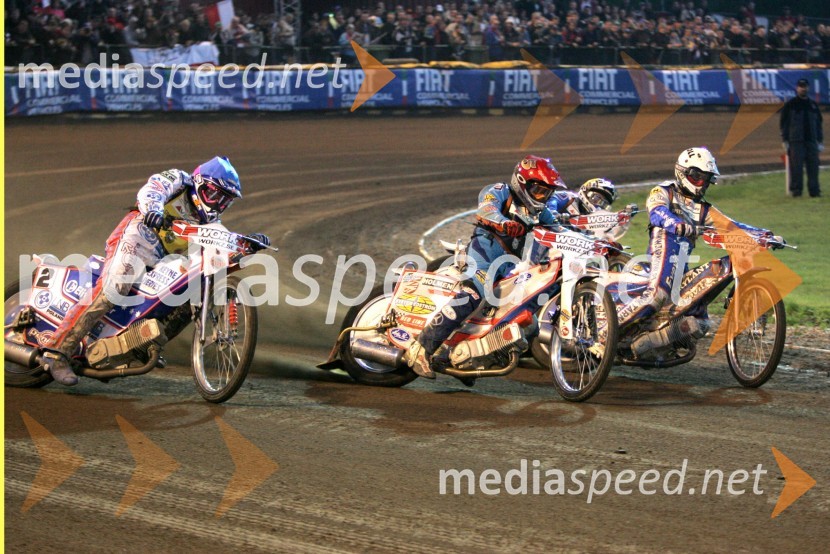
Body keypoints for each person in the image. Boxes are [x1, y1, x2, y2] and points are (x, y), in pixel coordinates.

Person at [41, 157, 271, 386]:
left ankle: (139, 345)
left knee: (188, 296)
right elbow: (153, 188)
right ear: (200, 183)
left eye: (225, 200)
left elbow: (219, 245)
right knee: (116, 287)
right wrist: (153, 209)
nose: (218, 203)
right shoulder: (180, 180)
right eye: (214, 194)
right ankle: (57, 352)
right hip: (136, 237)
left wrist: (246, 243)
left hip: (163, 260)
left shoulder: (210, 222)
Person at [405, 155, 566, 379]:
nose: (542, 196)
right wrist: (504, 223)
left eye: (546, 192)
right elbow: (486, 210)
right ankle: (421, 348)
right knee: (472, 295)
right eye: (538, 190)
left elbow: (560, 231)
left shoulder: (540, 212)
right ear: (522, 182)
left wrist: (594, 244)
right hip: (484, 251)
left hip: (508, 267)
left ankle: (467, 360)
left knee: (527, 323)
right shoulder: (500, 190)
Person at [610, 147, 781, 335]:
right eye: (698, 178)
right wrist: (676, 224)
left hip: (682, 261)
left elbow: (731, 226)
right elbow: (657, 212)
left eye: (706, 180)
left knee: (700, 322)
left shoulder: (703, 209)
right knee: (658, 294)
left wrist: (764, 235)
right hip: (663, 249)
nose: (702, 184)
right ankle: (609, 331)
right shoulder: (663, 191)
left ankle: (657, 339)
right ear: (684, 172)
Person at [780, 78, 823, 197]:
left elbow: (818, 124)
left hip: (811, 141)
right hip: (795, 141)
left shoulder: (813, 105)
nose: (803, 88)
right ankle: (796, 191)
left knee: (813, 167)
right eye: (801, 86)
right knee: (796, 168)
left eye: (805, 86)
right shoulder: (791, 105)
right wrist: (784, 140)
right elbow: (784, 123)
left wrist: (820, 140)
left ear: (808, 88)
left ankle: (814, 191)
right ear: (797, 88)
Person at [549, 177, 622, 217]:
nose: (598, 205)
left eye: (603, 204)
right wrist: (554, 213)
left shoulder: (595, 221)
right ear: (586, 191)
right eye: (596, 198)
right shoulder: (568, 197)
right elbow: (551, 199)